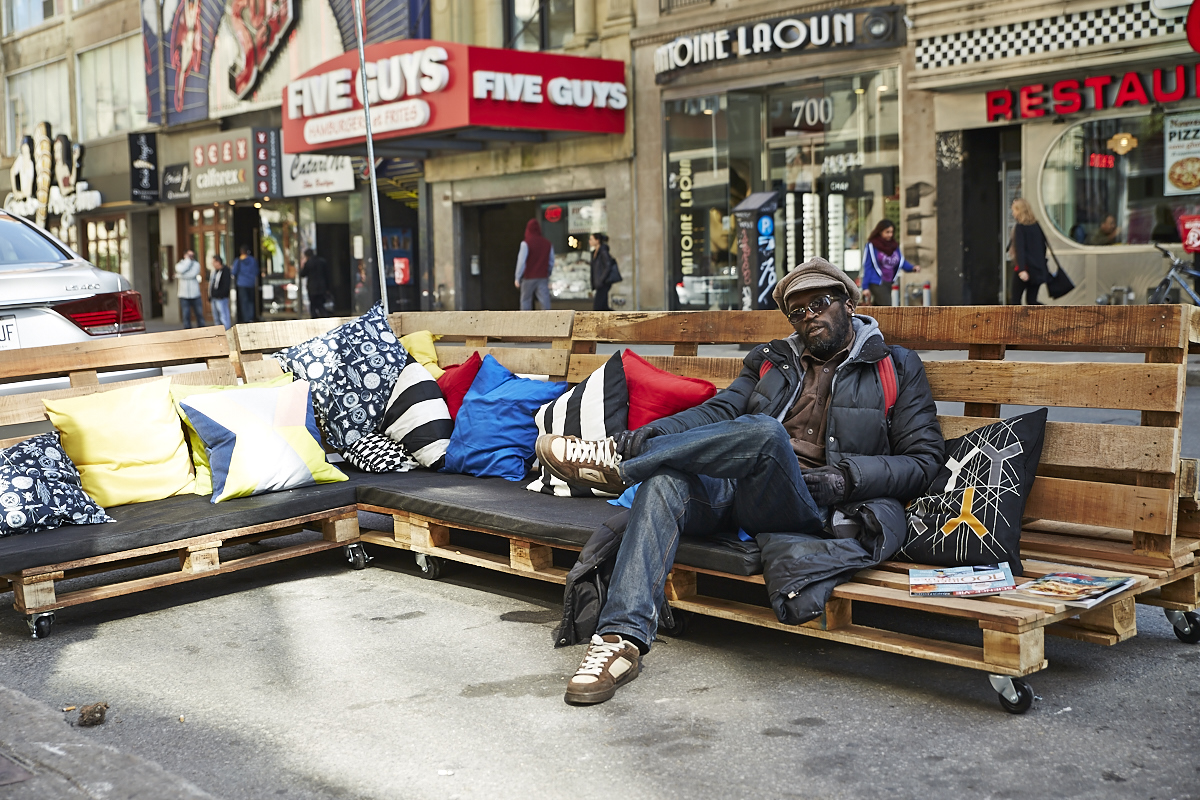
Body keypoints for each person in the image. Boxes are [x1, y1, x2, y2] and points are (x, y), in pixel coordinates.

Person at [536, 257, 945, 706]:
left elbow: (924, 461)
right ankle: (619, 640)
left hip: (810, 504)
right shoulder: (773, 361)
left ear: (849, 304)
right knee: (664, 482)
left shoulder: (896, 366)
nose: (809, 317)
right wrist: (642, 437)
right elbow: (719, 413)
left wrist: (846, 479)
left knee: (767, 434)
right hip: (736, 490)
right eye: (798, 311)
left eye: (820, 303)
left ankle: (615, 464)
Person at [861, 219, 918, 306]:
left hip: (889, 282)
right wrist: (865, 287)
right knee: (887, 306)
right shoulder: (872, 246)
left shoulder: (894, 246)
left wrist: (912, 268)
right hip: (877, 282)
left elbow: (901, 262)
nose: (890, 235)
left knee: (879, 308)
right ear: (880, 232)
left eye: (891, 232)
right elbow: (867, 267)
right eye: (887, 232)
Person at [1010, 198, 1048, 306]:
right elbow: (1043, 247)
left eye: (1014, 210)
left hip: (1024, 269)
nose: (1013, 213)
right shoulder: (1037, 226)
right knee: (1032, 301)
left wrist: (1022, 269)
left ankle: (1016, 322)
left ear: (1020, 211)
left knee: (1015, 300)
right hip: (1037, 270)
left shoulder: (1020, 228)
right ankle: (1045, 317)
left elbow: (1020, 249)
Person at [514, 219, 554, 310]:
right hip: (542, 277)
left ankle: (526, 322)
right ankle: (548, 322)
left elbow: (521, 261)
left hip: (529, 278)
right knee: (545, 301)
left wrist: (517, 277)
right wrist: (548, 273)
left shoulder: (525, 243)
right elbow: (551, 261)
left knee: (525, 300)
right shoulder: (548, 244)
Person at [589, 233, 620, 311]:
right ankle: (617, 318)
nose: (589, 241)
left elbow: (607, 266)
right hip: (599, 283)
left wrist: (601, 280)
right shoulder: (594, 253)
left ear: (597, 240)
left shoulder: (603, 251)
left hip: (603, 283)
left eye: (591, 239)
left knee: (598, 307)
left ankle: (618, 317)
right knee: (603, 307)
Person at [175, 249, 205, 329]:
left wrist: (179, 276)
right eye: (189, 255)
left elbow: (192, 275)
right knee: (186, 315)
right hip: (183, 295)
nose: (191, 257)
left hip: (195, 294)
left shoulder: (196, 264)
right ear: (185, 255)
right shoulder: (180, 264)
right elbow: (181, 270)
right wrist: (187, 262)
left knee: (199, 314)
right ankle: (188, 331)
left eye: (192, 255)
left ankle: (202, 330)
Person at [300, 248, 332, 317]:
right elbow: (327, 275)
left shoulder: (308, 263)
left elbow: (302, 274)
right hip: (322, 287)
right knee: (320, 304)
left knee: (313, 305)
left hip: (312, 287)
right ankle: (324, 315)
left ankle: (316, 317)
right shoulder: (322, 261)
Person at [231, 245, 258, 323]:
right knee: (250, 301)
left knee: (244, 301)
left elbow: (234, 272)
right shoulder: (253, 260)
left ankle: (246, 318)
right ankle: (251, 317)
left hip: (242, 283)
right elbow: (256, 271)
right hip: (251, 283)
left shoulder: (238, 260)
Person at [209, 255, 231, 330]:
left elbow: (226, 285)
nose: (212, 264)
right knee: (216, 318)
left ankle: (227, 332)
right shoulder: (214, 272)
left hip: (221, 298)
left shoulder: (225, 271)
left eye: (213, 262)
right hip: (214, 298)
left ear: (218, 262)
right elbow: (212, 284)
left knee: (224, 316)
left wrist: (221, 294)